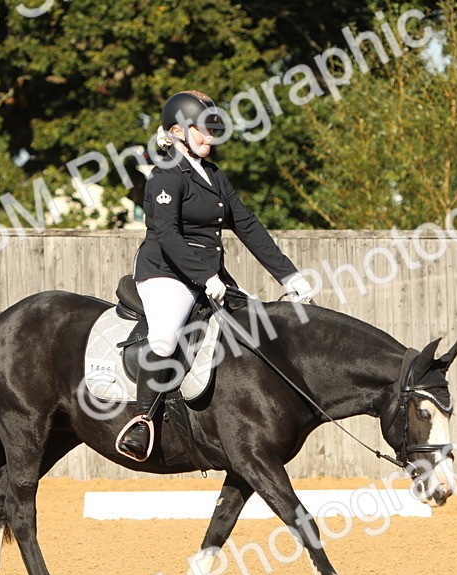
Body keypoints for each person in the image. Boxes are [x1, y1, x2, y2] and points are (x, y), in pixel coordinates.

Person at [115, 90, 314, 462]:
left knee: (258, 324)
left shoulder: (214, 177)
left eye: (213, 130)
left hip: (210, 275)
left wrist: (289, 277)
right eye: (202, 131)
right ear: (176, 132)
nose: (210, 137)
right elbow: (167, 235)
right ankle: (142, 422)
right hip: (166, 273)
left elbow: (248, 226)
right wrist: (205, 276)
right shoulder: (165, 177)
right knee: (164, 338)